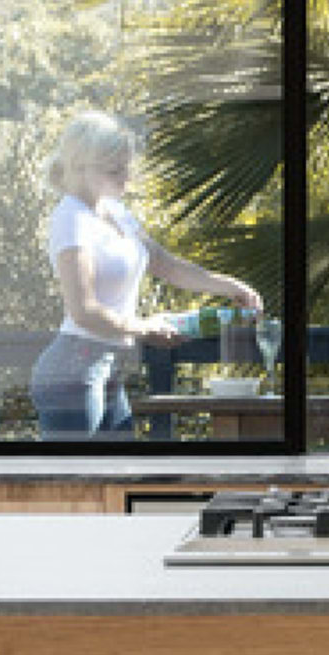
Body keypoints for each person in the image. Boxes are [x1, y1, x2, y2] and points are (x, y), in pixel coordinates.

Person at [30, 112, 261, 440]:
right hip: (73, 371)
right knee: (78, 488)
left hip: (108, 368)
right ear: (81, 168)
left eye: (126, 167)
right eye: (114, 170)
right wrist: (146, 328)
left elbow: (164, 263)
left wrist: (230, 286)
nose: (126, 178)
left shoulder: (115, 212)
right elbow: (85, 312)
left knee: (118, 482)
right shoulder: (71, 219)